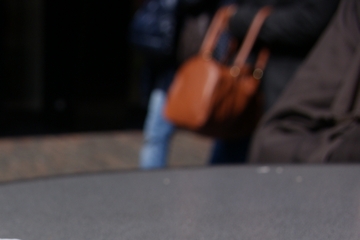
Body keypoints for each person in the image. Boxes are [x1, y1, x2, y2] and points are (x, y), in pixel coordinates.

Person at [209, 0, 340, 164]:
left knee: (269, 158)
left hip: (286, 86)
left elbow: (312, 20)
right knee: (227, 159)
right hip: (243, 83)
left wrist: (244, 20)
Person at [249, 0, 360, 162]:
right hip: (267, 83)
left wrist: (241, 21)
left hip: (283, 66)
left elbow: (311, 18)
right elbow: (273, 140)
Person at [131, 0, 217, 169]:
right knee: (156, 134)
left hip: (205, 69)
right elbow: (146, 32)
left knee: (223, 132)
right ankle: (150, 180)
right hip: (170, 70)